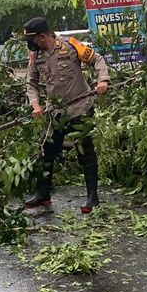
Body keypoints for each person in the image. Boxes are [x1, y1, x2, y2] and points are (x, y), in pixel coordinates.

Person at [23, 17, 109, 214]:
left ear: (42, 37)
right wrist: (35, 105)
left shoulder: (71, 47)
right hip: (56, 112)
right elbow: (31, 83)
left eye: (33, 39)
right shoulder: (36, 56)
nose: (31, 44)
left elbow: (97, 60)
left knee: (85, 152)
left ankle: (92, 198)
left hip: (80, 107)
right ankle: (43, 194)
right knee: (46, 152)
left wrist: (102, 80)